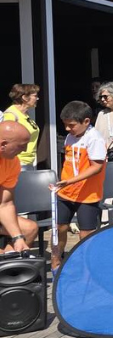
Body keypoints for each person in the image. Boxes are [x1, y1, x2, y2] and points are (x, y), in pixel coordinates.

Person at [52, 101, 107, 270]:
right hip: (66, 192)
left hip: (87, 194)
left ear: (86, 122)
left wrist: (70, 180)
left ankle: (86, 264)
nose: (68, 129)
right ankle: (57, 258)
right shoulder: (70, 137)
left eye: (71, 125)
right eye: (65, 125)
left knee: (86, 232)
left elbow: (96, 167)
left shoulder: (95, 138)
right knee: (59, 227)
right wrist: (65, 182)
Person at [0, 122, 38, 253]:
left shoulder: (13, 162)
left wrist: (18, 238)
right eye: (21, 146)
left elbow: (5, 204)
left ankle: (7, 265)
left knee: (29, 229)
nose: (25, 150)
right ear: (3, 145)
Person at [2, 84, 41, 170]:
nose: (37, 99)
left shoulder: (25, 115)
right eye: (35, 96)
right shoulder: (11, 115)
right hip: (17, 162)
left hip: (29, 162)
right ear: (25, 98)